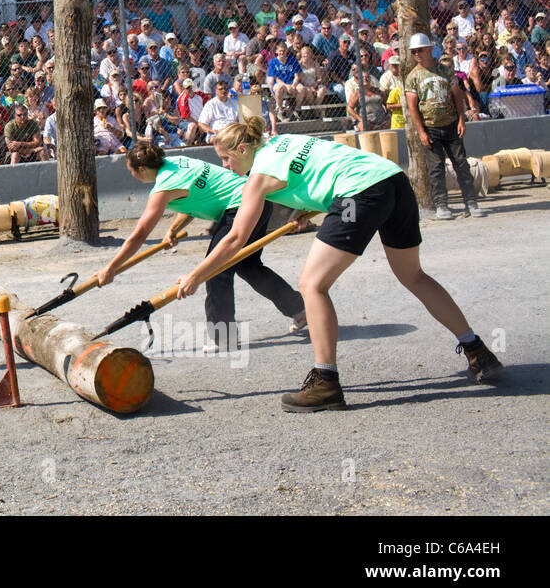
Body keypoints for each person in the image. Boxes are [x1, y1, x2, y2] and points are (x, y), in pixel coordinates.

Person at [173, 116, 502, 412]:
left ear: (243, 149)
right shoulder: (283, 141)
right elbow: (324, 168)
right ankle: (477, 350)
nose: (226, 166)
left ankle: (325, 383)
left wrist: (196, 275)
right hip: (392, 181)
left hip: (357, 195)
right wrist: (307, 206)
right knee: (413, 276)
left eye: (226, 159)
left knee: (312, 285)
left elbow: (233, 239)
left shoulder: (257, 176)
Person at [88, 141, 305, 350]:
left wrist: (111, 268)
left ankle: (225, 337)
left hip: (242, 207)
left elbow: (140, 234)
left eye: (131, 170)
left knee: (215, 270)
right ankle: (300, 309)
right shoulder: (178, 162)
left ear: (142, 169)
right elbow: (196, 197)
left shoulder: (163, 187)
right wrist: (173, 229)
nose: (131, 174)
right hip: (258, 201)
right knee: (249, 267)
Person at [403, 33, 485, 220]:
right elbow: (412, 107)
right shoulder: (413, 77)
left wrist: (461, 120)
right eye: (414, 51)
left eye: (420, 50)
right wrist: (421, 131)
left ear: (429, 50)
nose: (417, 54)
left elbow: (458, 96)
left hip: (451, 125)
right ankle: (441, 205)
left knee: (461, 164)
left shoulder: (445, 71)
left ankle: (471, 202)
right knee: (436, 168)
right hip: (430, 128)